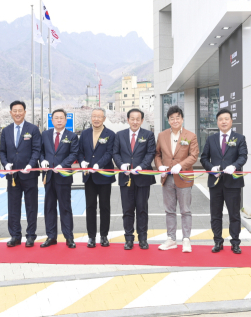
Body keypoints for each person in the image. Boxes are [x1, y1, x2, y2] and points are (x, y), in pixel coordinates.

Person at [200, 108, 248, 254]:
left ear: (231, 121)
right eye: (221, 119)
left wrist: (235, 166)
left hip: (233, 183)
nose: (224, 121)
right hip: (215, 183)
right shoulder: (211, 139)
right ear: (217, 122)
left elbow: (243, 156)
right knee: (215, 214)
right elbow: (203, 158)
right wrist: (211, 168)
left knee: (234, 214)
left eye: (226, 119)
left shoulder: (239, 138)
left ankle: (235, 242)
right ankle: (218, 241)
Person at [154, 106, 199, 253]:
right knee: (169, 210)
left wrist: (180, 165)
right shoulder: (161, 135)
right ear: (168, 120)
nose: (175, 120)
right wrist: (159, 166)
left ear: (182, 119)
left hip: (184, 177)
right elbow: (157, 154)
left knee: (185, 210)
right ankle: (171, 239)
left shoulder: (190, 136)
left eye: (177, 118)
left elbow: (193, 156)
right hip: (167, 178)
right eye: (172, 118)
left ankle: (186, 239)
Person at [0, 101, 41, 247]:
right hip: (13, 177)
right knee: (13, 207)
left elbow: (37, 150)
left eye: (20, 110)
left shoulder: (33, 129)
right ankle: (15, 235)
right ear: (10, 112)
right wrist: (6, 164)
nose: (17, 113)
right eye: (14, 110)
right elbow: (2, 151)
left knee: (31, 206)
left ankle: (30, 235)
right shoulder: (6, 130)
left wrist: (30, 164)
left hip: (29, 175)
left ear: (24, 112)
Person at [112, 108, 156, 250]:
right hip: (126, 178)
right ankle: (129, 238)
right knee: (127, 209)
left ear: (142, 120)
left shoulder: (148, 135)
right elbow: (115, 153)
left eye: (138, 119)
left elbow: (150, 153)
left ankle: (143, 238)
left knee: (142, 209)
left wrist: (142, 167)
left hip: (143, 178)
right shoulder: (120, 135)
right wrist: (121, 165)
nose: (135, 121)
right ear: (128, 119)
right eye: (132, 118)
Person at [39, 109, 79, 248]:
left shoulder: (72, 136)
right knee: (49, 207)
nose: (59, 120)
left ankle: (69, 237)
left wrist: (63, 165)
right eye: (56, 118)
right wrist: (42, 160)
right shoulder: (45, 134)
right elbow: (41, 151)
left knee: (65, 207)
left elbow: (74, 153)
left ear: (66, 120)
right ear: (52, 120)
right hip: (48, 176)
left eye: (61, 118)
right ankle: (51, 236)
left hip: (63, 177)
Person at [78, 107, 116, 248]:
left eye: (99, 116)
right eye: (94, 116)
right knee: (90, 206)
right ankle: (91, 236)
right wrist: (82, 161)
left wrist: (98, 164)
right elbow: (80, 151)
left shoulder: (110, 134)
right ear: (91, 118)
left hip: (104, 176)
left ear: (104, 118)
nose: (96, 119)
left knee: (105, 207)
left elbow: (109, 153)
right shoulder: (85, 134)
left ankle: (104, 236)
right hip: (89, 177)